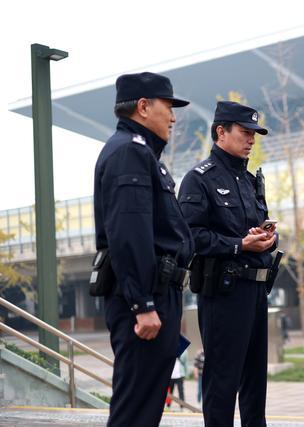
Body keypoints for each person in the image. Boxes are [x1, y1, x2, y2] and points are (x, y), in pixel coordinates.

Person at [93, 72, 194, 426]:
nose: (173, 116)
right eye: (168, 106)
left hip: (157, 294)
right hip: (145, 301)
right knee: (135, 410)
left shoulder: (141, 154)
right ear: (143, 106)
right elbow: (128, 234)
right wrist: (143, 304)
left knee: (146, 407)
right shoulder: (129, 154)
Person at [178, 101, 278, 426]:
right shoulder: (199, 179)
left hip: (256, 291)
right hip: (223, 294)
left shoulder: (251, 181)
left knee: (254, 385)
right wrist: (239, 245)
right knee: (222, 385)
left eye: (254, 134)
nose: (251, 139)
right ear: (221, 131)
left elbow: (255, 231)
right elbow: (190, 237)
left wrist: (267, 239)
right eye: (245, 132)